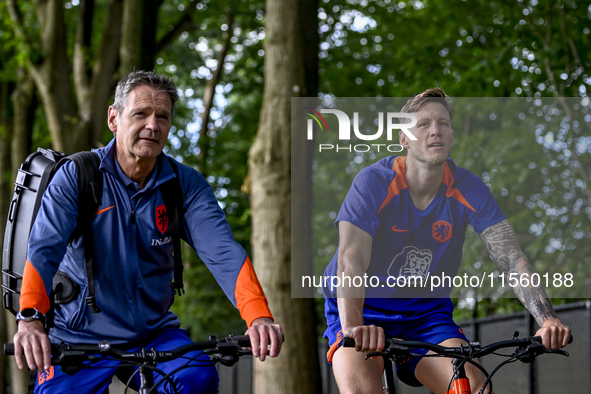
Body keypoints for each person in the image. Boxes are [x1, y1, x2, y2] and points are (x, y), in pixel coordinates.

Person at [13, 71, 283, 393]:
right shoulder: (77, 176)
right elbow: (43, 250)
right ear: (114, 118)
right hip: (79, 336)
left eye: (163, 117)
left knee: (198, 378)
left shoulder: (184, 185)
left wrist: (259, 317)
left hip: (154, 334)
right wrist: (30, 319)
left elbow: (224, 252)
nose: (152, 125)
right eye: (140, 114)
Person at [323, 88, 571, 394]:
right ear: (403, 138)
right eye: (423, 124)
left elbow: (511, 258)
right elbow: (351, 258)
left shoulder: (470, 188)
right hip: (363, 311)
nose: (435, 130)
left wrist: (547, 319)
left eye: (442, 123)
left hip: (426, 316)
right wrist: (352, 326)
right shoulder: (374, 182)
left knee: (474, 389)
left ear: (452, 137)